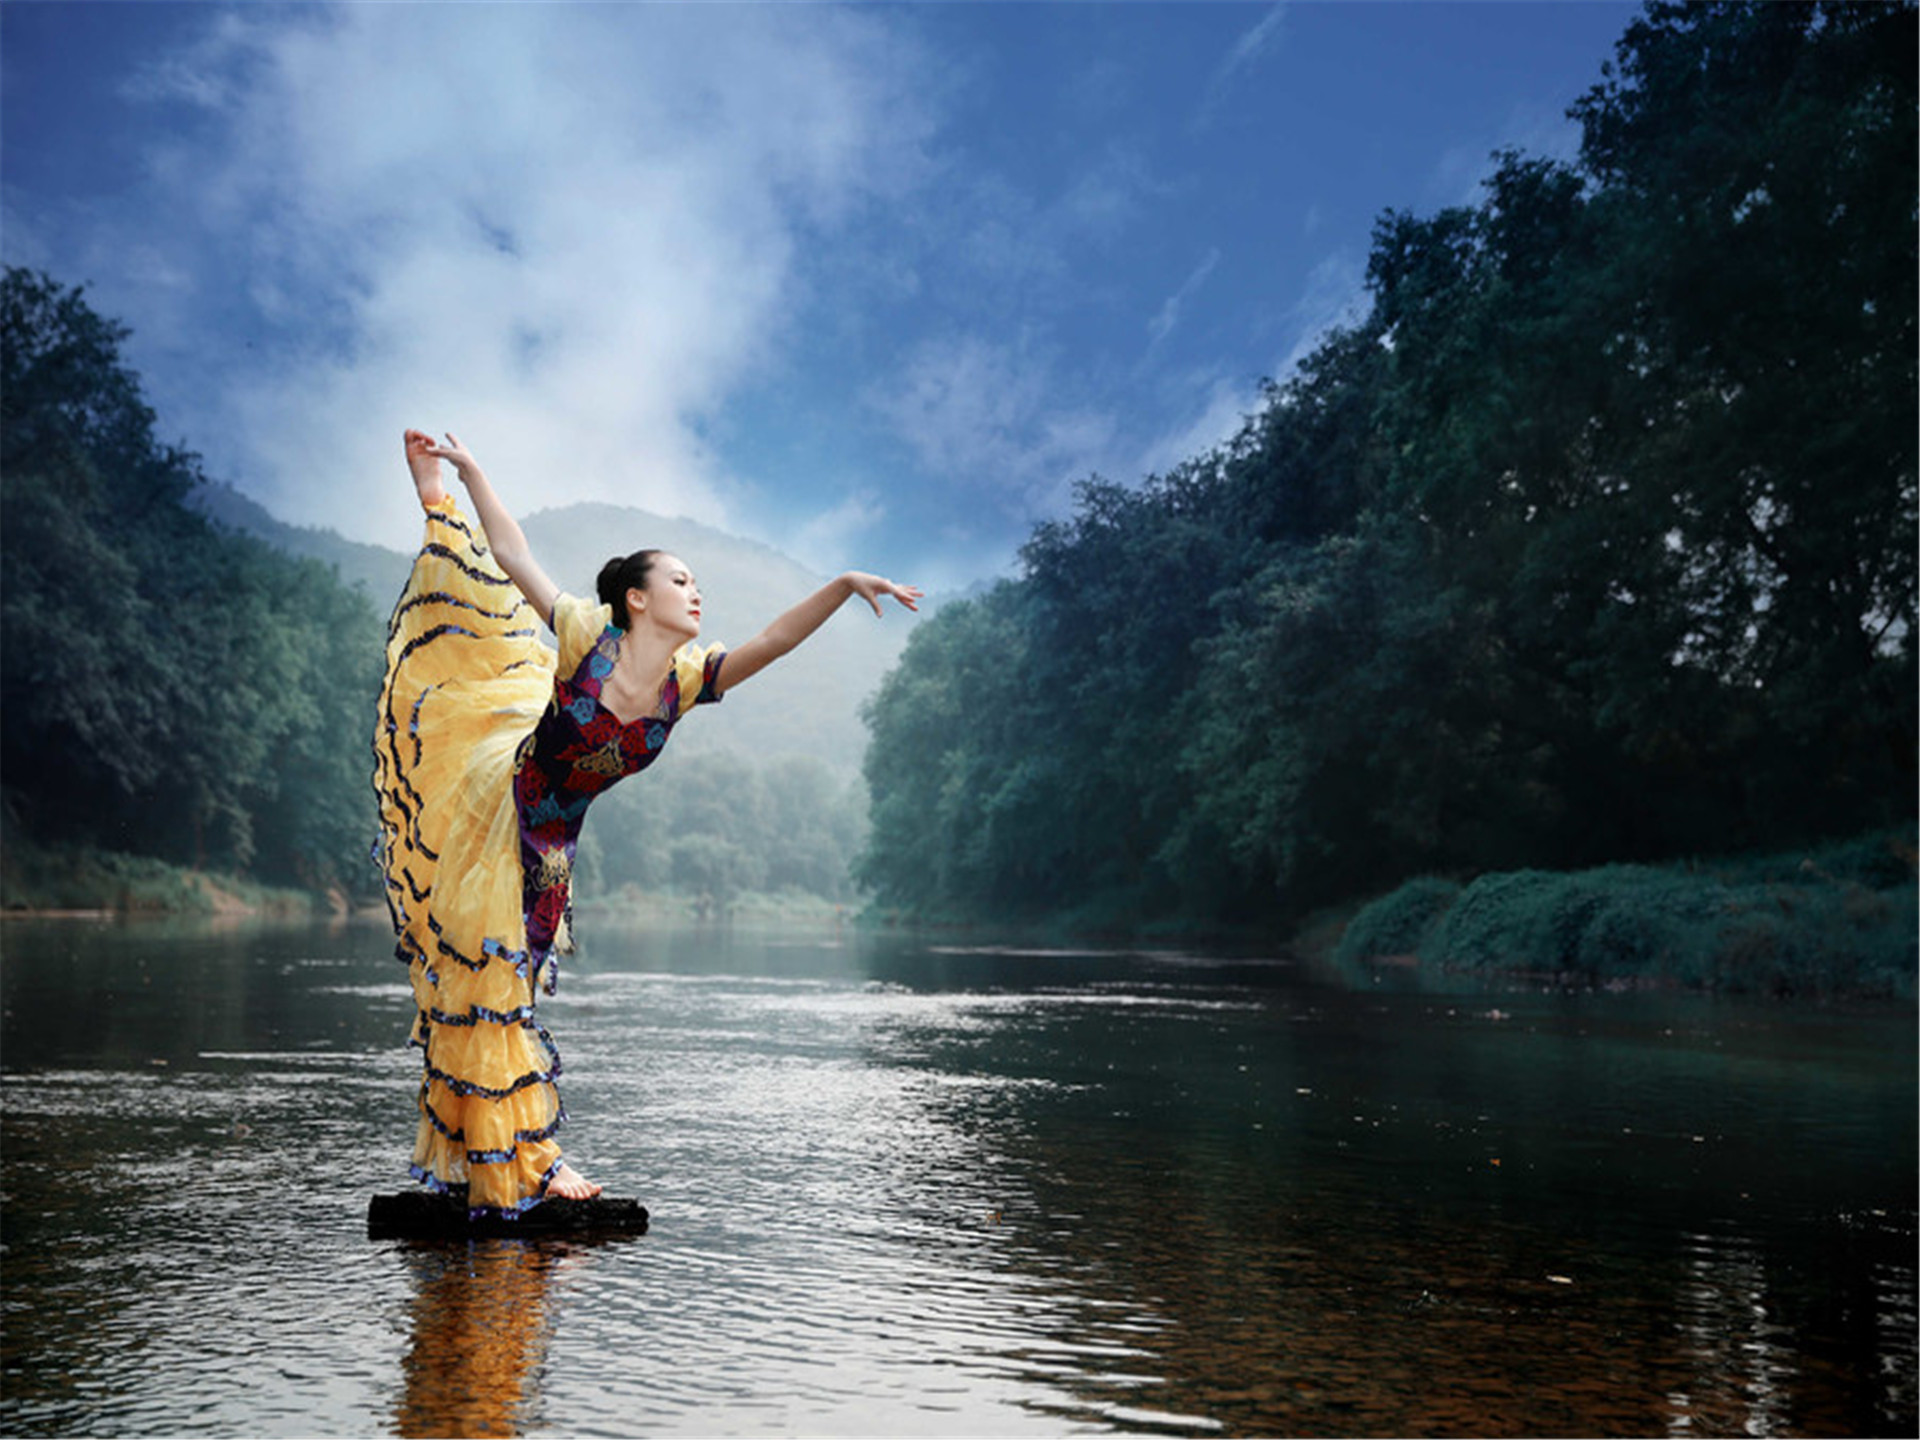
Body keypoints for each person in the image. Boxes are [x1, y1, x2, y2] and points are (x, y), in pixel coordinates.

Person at [373, 429, 921, 1219]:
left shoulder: (686, 680)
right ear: (638, 597)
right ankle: (533, 1162)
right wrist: (468, 474)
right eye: (681, 580)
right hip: (497, 818)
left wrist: (840, 585)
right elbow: (514, 553)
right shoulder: (584, 639)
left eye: (697, 583)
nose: (696, 594)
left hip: (554, 845)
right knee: (490, 988)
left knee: (511, 996)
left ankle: (482, 1156)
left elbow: (773, 640)